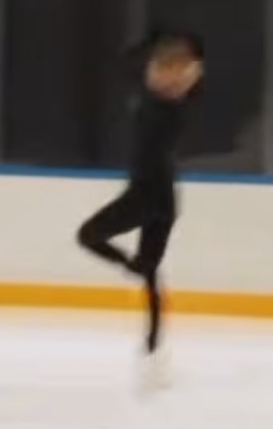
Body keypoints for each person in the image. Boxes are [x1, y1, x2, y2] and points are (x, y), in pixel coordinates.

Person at [77, 30, 204, 388]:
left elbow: (172, 84)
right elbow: (127, 62)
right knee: (141, 267)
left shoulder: (172, 109)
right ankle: (152, 348)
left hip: (150, 198)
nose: (154, 74)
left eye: (165, 72)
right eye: (156, 68)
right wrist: (161, 53)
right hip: (157, 197)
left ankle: (152, 351)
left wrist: (185, 76)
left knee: (94, 239)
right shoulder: (151, 94)